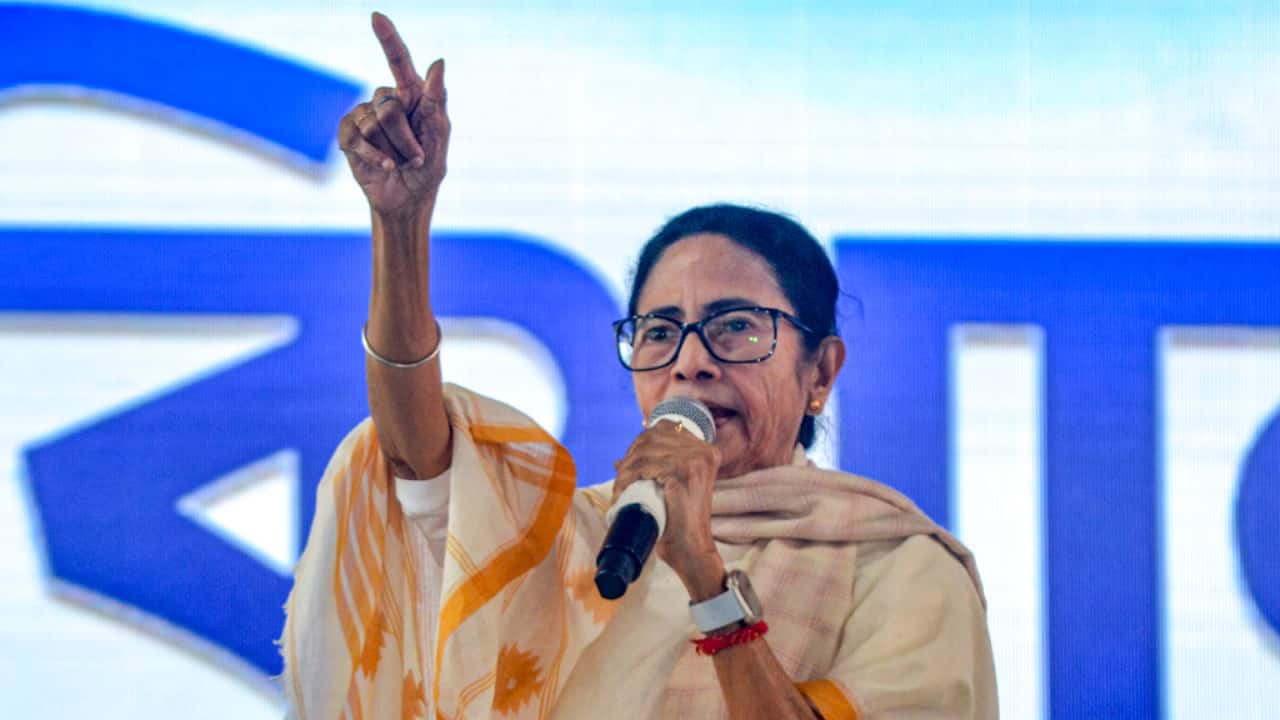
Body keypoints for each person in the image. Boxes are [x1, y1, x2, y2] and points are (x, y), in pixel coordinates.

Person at [280, 12, 997, 720]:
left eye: (736, 327)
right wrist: (401, 225)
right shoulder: (582, 543)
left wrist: (704, 574)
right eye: (660, 332)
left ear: (821, 373)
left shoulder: (898, 568)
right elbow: (414, 457)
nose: (691, 362)